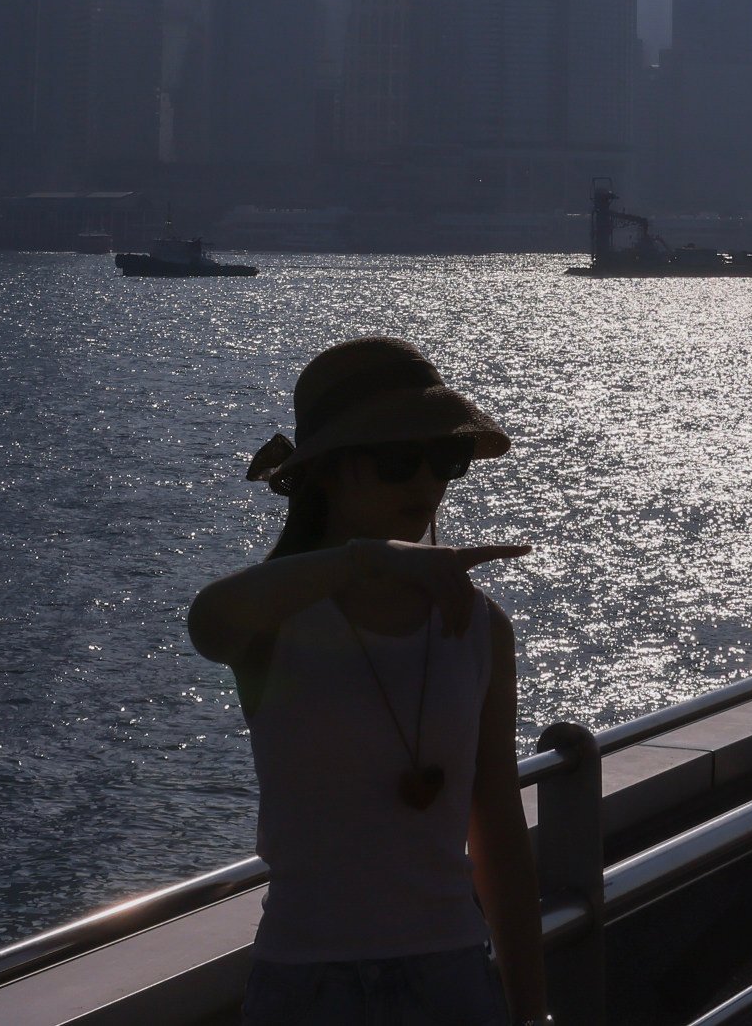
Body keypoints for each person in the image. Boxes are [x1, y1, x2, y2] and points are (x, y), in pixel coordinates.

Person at [187, 338, 545, 1026]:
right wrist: (364, 562)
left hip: (453, 976)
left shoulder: (478, 628)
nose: (423, 482)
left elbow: (496, 821)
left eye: (443, 458)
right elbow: (208, 622)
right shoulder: (278, 621)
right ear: (327, 472)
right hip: (305, 987)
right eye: (394, 459)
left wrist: (531, 1010)